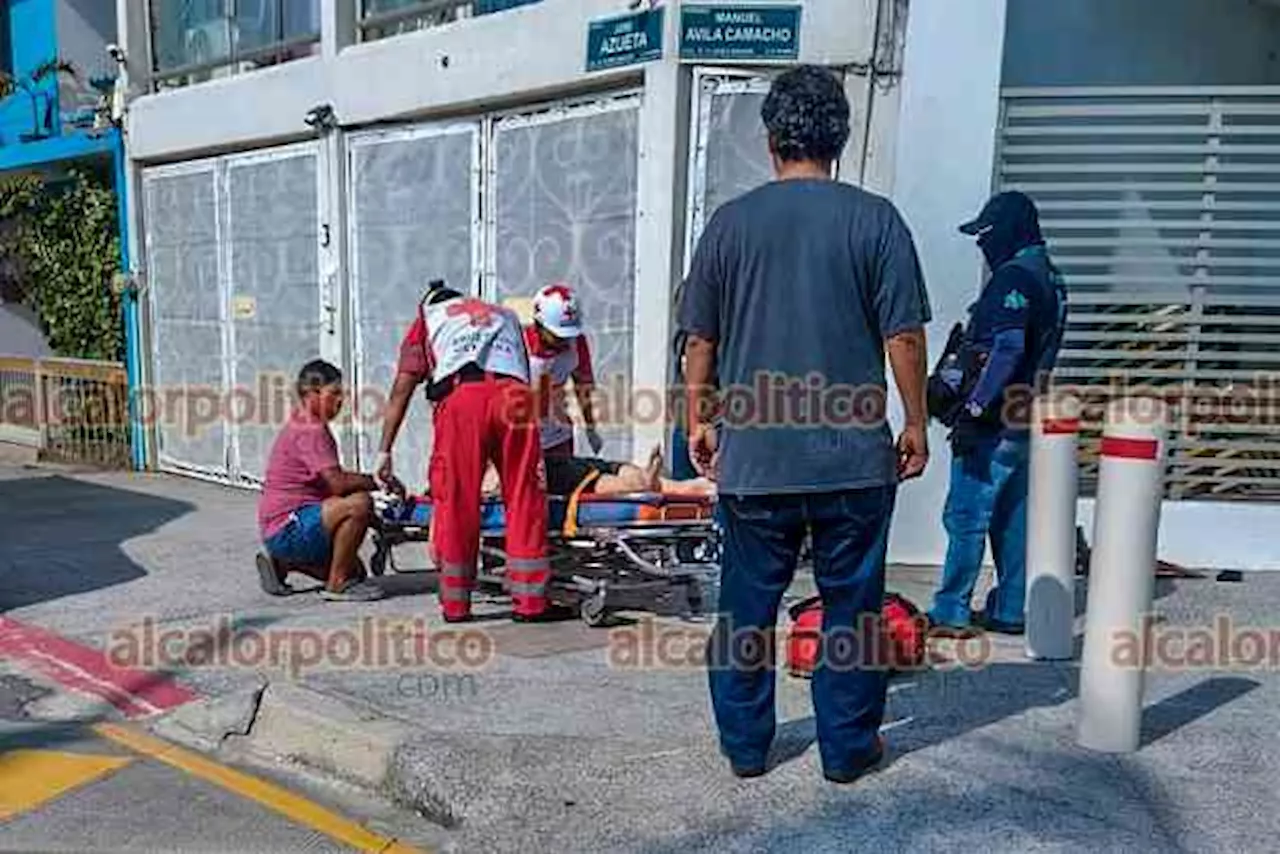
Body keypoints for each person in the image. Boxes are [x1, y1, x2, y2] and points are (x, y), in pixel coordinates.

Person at [679, 65, 931, 784]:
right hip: (852, 461)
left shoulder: (729, 226)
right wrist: (916, 422)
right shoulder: (875, 219)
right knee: (853, 608)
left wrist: (700, 418)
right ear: (840, 140)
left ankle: (747, 749)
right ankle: (848, 751)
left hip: (756, 461)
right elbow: (904, 336)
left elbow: (701, 340)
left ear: (770, 140)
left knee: (746, 609)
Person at [376, 279, 563, 623]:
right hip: (517, 400)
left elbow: (401, 391)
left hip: (465, 402)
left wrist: (384, 452)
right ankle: (532, 603)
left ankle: (456, 605)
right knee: (525, 498)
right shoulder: (503, 315)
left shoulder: (429, 316)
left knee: (457, 501)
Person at [926, 191, 1067, 637]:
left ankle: (950, 610)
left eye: (985, 235)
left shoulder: (1014, 280)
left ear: (1009, 232)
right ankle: (1009, 609)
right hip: (1025, 417)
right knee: (1011, 518)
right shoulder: (1051, 278)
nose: (981, 245)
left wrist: (972, 407)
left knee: (966, 516)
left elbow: (1007, 350)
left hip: (994, 422)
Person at [524, 283, 715, 499]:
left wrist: (590, 427)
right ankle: (658, 485)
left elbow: (583, 387)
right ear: (539, 326)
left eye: (568, 336)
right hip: (525, 440)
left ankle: (653, 481)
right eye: (558, 337)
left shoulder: (576, 343)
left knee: (601, 469)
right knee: (577, 481)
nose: (564, 342)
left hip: (558, 436)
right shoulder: (522, 348)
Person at [256, 360, 399, 602]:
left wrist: (377, 522)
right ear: (312, 394)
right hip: (288, 527)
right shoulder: (311, 430)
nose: (341, 401)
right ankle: (337, 584)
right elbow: (338, 484)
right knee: (359, 504)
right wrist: (379, 481)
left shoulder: (304, 422)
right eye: (334, 394)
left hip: (282, 526)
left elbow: (329, 486)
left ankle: (283, 563)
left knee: (356, 572)